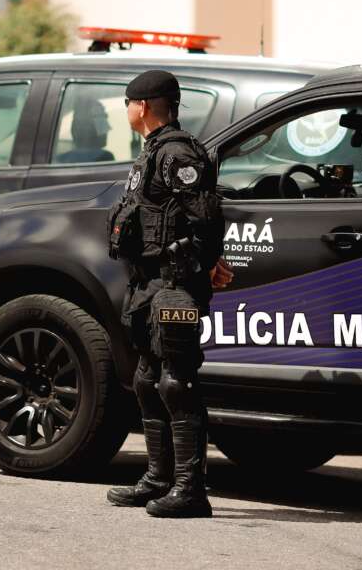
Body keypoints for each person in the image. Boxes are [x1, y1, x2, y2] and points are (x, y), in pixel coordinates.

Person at [105, 70, 233, 518]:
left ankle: (190, 489)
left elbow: (206, 216)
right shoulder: (153, 151)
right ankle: (158, 478)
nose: (126, 110)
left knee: (177, 381)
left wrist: (205, 263)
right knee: (146, 378)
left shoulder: (177, 153)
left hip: (175, 283)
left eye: (128, 103)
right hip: (147, 282)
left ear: (141, 106)